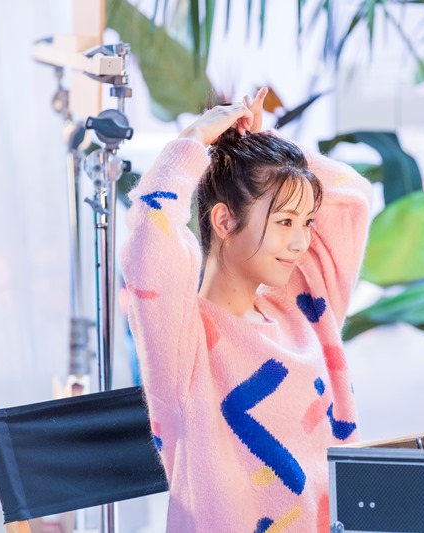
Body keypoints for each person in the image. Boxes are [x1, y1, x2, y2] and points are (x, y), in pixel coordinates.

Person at [120, 88, 372, 532]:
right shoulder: (184, 341)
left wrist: (261, 142)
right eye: (285, 222)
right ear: (224, 221)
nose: (301, 241)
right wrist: (194, 140)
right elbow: (149, 241)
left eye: (306, 223)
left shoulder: (306, 311)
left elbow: (353, 198)